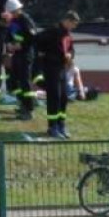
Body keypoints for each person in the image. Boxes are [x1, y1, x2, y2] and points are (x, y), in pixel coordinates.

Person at [36, 10, 80, 139]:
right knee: (54, 96)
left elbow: (71, 49)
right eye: (73, 24)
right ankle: (52, 126)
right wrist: (42, 56)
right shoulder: (52, 31)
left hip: (62, 68)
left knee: (63, 97)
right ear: (67, 21)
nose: (74, 27)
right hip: (51, 67)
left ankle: (61, 124)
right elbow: (37, 41)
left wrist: (70, 55)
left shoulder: (67, 35)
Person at [4, 0, 37, 121]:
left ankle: (29, 109)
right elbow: (8, 35)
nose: (12, 14)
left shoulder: (26, 20)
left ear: (18, 9)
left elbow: (33, 38)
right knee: (14, 81)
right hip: (17, 54)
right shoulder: (13, 21)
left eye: (13, 12)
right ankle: (22, 104)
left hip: (26, 54)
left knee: (25, 82)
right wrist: (8, 43)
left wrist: (21, 45)